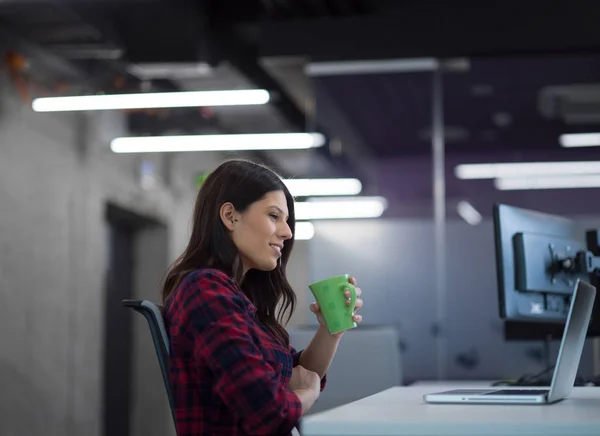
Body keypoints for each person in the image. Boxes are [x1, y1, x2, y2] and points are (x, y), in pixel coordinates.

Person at [162, 159, 364, 436]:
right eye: (274, 216)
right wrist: (308, 392)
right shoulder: (205, 291)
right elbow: (270, 412)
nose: (288, 232)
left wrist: (330, 330)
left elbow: (293, 373)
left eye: (287, 220)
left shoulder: (233, 297)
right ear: (230, 216)